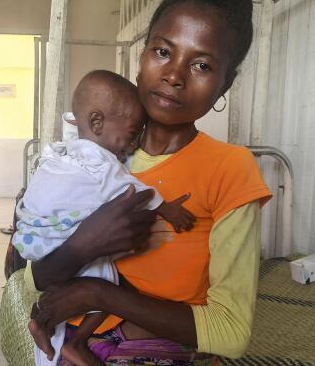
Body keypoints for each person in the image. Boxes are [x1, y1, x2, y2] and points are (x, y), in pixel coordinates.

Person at [23, 0, 273, 364]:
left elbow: (231, 333)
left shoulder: (230, 169)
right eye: (162, 51)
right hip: (77, 336)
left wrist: (97, 294)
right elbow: (26, 277)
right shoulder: (92, 156)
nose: (174, 75)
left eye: (202, 65)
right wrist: (81, 245)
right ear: (141, 56)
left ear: (225, 84)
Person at [12, 70, 195, 366]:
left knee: (63, 295)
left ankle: (41, 323)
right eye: (132, 134)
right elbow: (134, 190)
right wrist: (167, 207)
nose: (133, 145)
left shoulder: (65, 154)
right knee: (103, 286)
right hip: (66, 246)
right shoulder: (103, 162)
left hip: (41, 241)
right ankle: (78, 344)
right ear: (97, 123)